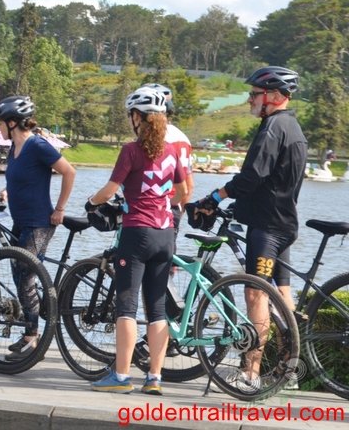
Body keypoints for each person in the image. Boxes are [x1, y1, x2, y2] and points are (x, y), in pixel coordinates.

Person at [191, 66, 306, 385]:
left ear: (273, 96)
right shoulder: (293, 126)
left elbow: (252, 176)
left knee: (255, 294)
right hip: (284, 223)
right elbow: (274, 180)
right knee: (281, 295)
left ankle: (250, 372)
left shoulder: (273, 128)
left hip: (267, 227)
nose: (249, 100)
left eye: (254, 94)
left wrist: (216, 196)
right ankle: (290, 368)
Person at [88, 86, 187, 395]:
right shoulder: (172, 151)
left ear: (138, 118)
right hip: (165, 235)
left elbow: (109, 190)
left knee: (126, 308)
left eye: (132, 114)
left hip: (137, 234)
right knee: (157, 310)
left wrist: (91, 202)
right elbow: (184, 193)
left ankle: (120, 376)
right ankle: (154, 378)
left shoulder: (131, 150)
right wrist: (163, 205)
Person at [0, 95, 75, 361]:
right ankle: (33, 326)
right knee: (19, 274)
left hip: (39, 222)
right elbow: (23, 178)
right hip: (21, 219)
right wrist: (6, 191)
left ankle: (32, 337)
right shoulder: (14, 148)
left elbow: (69, 172)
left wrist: (60, 209)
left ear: (13, 122)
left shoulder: (37, 145)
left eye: (0, 123)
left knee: (25, 276)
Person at [141, 83, 194, 233]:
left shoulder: (156, 139)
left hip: (152, 212)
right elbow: (189, 184)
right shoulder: (183, 138)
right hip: (174, 208)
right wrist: (179, 213)